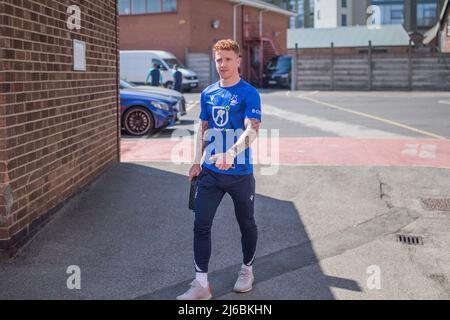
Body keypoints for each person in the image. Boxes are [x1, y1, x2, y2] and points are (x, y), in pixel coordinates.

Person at [177, 39, 262, 300]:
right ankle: (201, 284)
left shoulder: (249, 93)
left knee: (245, 223)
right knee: (201, 224)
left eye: (227, 59)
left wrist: (231, 152)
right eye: (218, 60)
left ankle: (247, 269)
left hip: (240, 174)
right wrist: (196, 161)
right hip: (211, 174)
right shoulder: (208, 93)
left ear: (238, 61)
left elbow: (252, 129)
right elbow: (203, 129)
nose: (222, 64)